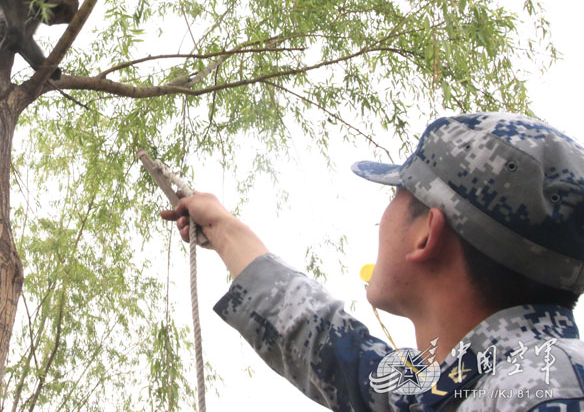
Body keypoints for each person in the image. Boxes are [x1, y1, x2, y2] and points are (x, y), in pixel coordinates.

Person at [160, 113, 584, 411]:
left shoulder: (546, 393)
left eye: (395, 194)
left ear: (425, 234)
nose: (383, 217)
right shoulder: (465, 385)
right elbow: (331, 349)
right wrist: (223, 228)